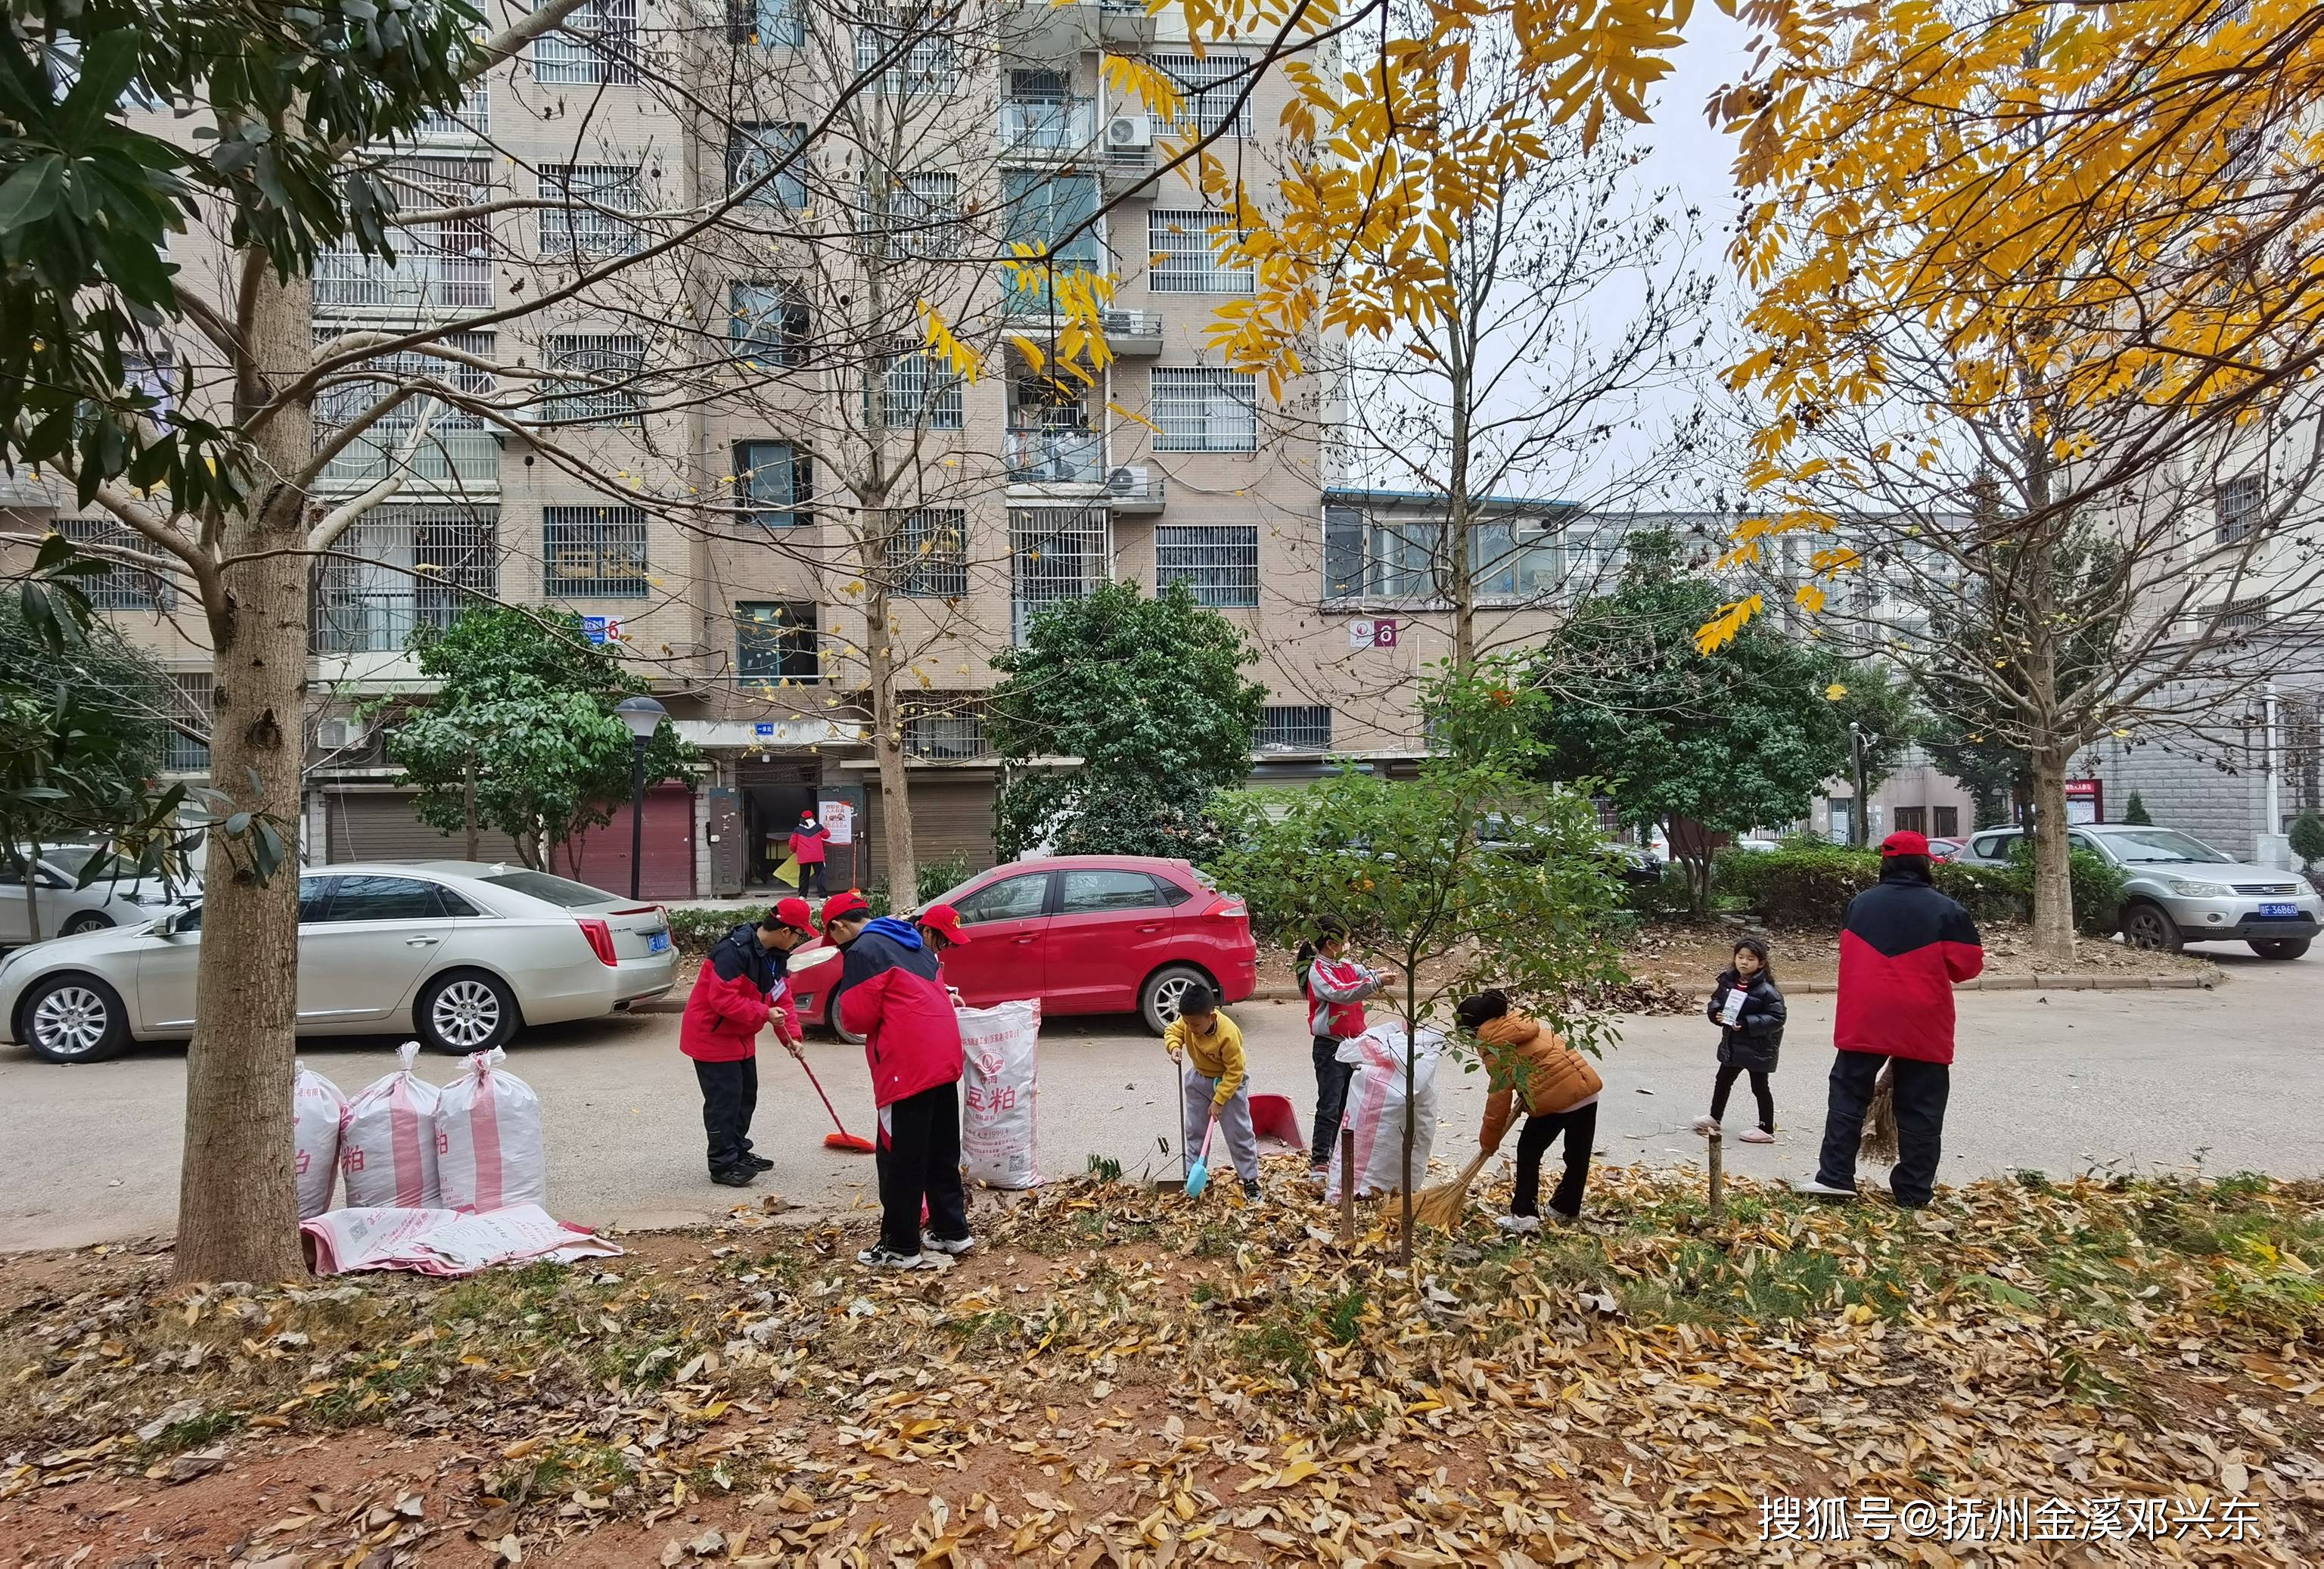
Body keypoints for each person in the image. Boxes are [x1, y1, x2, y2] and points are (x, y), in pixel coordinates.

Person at [1797, 830, 1984, 1208]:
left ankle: (1835, 1177)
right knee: (1922, 1108)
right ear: (1923, 865)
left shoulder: (1860, 905)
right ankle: (1913, 1193)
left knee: (1848, 1096)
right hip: (1922, 1021)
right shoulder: (1947, 910)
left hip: (1864, 1017)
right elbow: (1967, 968)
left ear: (1885, 863)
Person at [825, 890, 973, 1268]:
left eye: (834, 939)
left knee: (900, 1156)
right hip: (943, 1058)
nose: (837, 947)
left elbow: (856, 1019)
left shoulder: (864, 950)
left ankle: (899, 1245)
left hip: (907, 1065)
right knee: (941, 1149)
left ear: (839, 926)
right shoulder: (910, 941)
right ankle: (951, 1231)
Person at [678, 899, 814, 1187]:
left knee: (745, 1097)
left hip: (740, 1036)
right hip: (711, 1037)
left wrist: (792, 1037)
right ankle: (722, 1163)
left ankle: (738, 1151)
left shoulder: (776, 955)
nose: (799, 939)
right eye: (800, 934)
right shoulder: (733, 951)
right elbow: (722, 999)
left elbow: (782, 997)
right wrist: (764, 1014)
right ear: (786, 931)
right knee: (724, 1103)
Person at [1457, 990, 1604, 1232]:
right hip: (1587, 1091)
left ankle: (1524, 1216)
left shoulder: (1496, 1049)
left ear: (1473, 1030)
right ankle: (1565, 1209)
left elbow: (1498, 1101)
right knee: (1577, 1157)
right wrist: (1528, 1092)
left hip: (1558, 1101)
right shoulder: (1525, 1024)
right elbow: (1545, 1062)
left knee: (1528, 1152)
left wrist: (1489, 1142)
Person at [1297, 918, 1385, 1181]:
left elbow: (1360, 974)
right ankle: (1320, 1160)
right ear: (1331, 944)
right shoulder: (1319, 971)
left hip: (1352, 1046)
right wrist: (1374, 984)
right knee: (1329, 1105)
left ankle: (1338, 1155)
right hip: (1330, 1048)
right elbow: (1340, 992)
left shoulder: (1344, 965)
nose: (1348, 946)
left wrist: (1375, 975)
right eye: (1345, 941)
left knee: (1348, 1104)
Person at [1162, 983, 1262, 1201]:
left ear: (1211, 1016)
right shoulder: (1189, 1021)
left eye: (1196, 1024)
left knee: (1239, 1133)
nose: (1191, 1028)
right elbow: (1173, 1030)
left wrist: (1219, 1101)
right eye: (1187, 1023)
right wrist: (1174, 1046)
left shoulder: (1228, 1034)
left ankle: (1250, 1179)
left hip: (1228, 1083)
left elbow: (1236, 1071)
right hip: (1199, 1079)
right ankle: (1193, 1176)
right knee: (1195, 1129)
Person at [1692, 934, 1786, 1144]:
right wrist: (1716, 1012)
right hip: (1733, 1044)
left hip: (1758, 1047)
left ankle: (1766, 1128)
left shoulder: (1768, 991)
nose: (1744, 962)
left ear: (1761, 963)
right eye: (1741, 957)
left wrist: (1749, 1023)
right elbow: (1716, 1000)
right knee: (1723, 1080)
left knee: (1759, 1086)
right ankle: (1715, 1117)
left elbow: (1778, 1017)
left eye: (1750, 959)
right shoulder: (1728, 982)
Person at [788, 809, 831, 896]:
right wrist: (824, 827)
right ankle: (823, 896)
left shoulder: (798, 829)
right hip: (817, 856)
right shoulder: (818, 827)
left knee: (804, 877)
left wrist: (793, 850)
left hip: (804, 857)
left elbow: (793, 842)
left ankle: (802, 896)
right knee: (820, 876)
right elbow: (827, 835)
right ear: (812, 817)